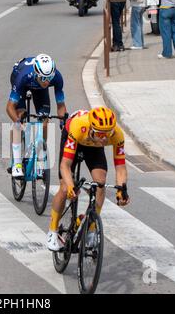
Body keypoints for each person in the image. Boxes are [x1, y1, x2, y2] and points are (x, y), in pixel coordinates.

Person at [47, 107, 130, 251]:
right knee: (65, 188)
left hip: (93, 145)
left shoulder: (116, 134)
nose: (104, 138)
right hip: (76, 137)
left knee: (100, 183)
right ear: (92, 128)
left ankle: (90, 226)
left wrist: (122, 189)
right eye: (100, 134)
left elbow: (121, 167)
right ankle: (52, 231)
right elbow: (65, 165)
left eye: (107, 134)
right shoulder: (78, 126)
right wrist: (71, 185)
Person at [6, 54, 68, 178]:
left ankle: (40, 158)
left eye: (49, 77)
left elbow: (60, 105)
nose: (46, 81)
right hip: (21, 79)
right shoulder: (23, 76)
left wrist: (63, 123)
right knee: (19, 115)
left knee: (45, 120)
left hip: (38, 87)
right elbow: (9, 107)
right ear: (36, 73)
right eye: (43, 77)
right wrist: (18, 123)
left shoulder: (56, 77)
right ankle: (17, 164)